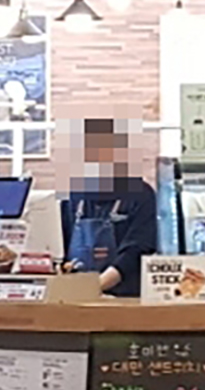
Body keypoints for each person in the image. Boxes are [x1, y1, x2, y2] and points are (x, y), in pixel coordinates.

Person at [63, 119, 159, 297]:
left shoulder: (141, 195)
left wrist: (97, 286)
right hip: (76, 296)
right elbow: (63, 248)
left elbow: (136, 252)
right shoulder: (76, 196)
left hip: (125, 297)